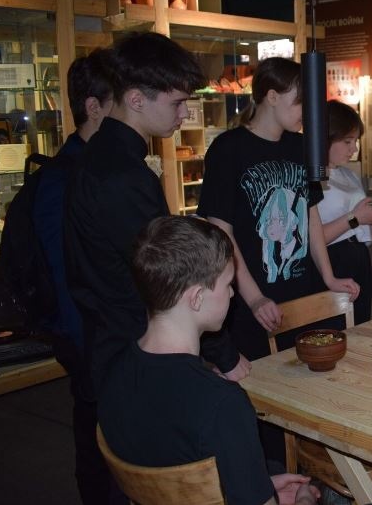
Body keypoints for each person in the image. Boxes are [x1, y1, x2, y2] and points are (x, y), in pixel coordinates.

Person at [64, 32, 244, 504]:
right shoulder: (120, 174)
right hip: (130, 348)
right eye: (178, 102)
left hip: (113, 340)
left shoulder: (101, 157)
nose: (184, 114)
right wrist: (224, 355)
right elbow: (173, 274)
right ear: (136, 99)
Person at [98, 216, 320, 505]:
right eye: (227, 284)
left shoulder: (113, 376)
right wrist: (304, 500)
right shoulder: (222, 404)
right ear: (196, 298)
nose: (232, 293)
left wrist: (258, 484)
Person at [197, 57, 360, 362]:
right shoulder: (228, 148)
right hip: (252, 298)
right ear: (272, 97)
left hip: (303, 291)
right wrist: (255, 298)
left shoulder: (301, 146)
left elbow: (310, 216)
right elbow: (221, 231)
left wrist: (328, 276)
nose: (306, 113)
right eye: (300, 102)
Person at [32, 49, 114, 502]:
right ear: (94, 107)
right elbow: (62, 274)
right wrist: (87, 353)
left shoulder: (97, 166)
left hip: (101, 334)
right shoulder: (64, 178)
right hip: (89, 337)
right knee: (97, 443)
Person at [318, 100, 372, 325]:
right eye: (347, 141)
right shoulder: (312, 177)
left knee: (360, 324)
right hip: (330, 262)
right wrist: (354, 218)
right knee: (334, 328)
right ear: (326, 136)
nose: (354, 149)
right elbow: (313, 238)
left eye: (356, 141)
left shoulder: (349, 175)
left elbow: (366, 233)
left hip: (359, 259)